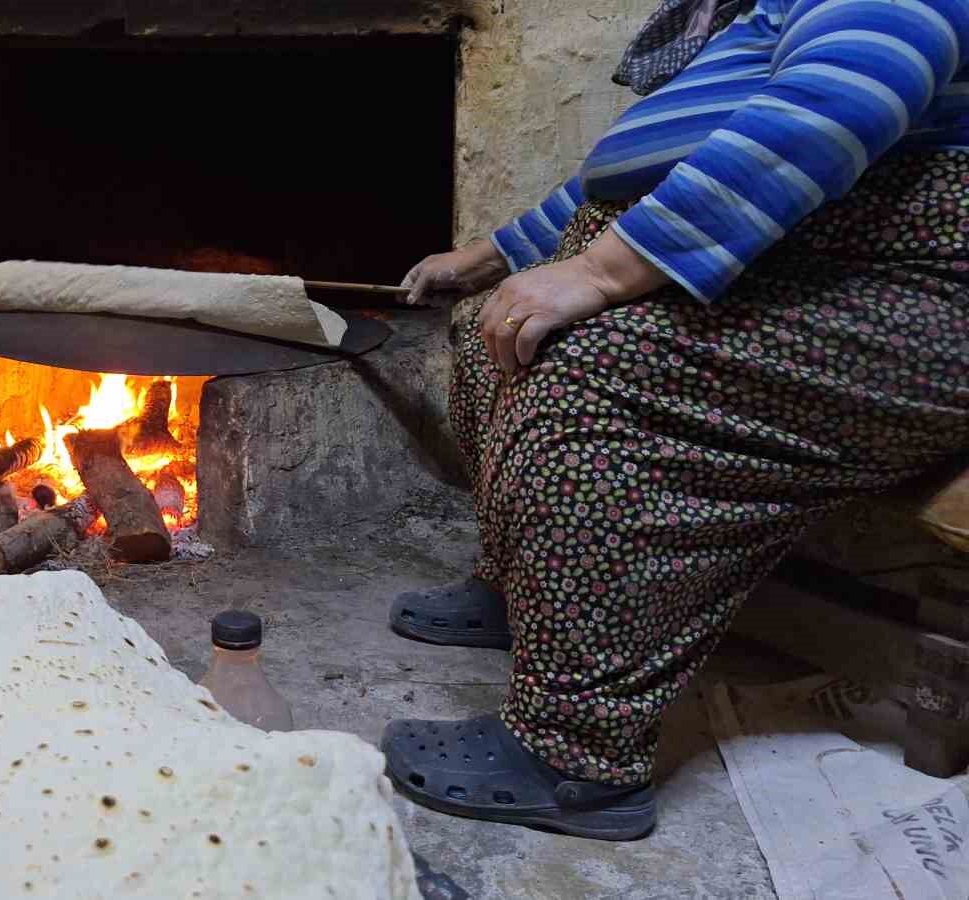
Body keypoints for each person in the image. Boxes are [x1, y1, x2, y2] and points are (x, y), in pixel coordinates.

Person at [382, 0, 969, 841]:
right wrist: (489, 260)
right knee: (490, 335)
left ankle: (578, 760)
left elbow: (843, 101)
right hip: (787, 267)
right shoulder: (751, 14)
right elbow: (636, 174)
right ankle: (521, 596)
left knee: (590, 371)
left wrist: (606, 274)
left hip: (897, 289)